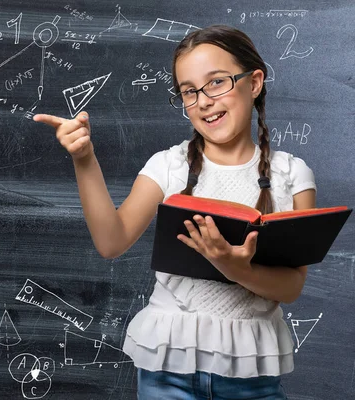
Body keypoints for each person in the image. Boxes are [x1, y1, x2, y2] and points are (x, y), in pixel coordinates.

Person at [34, 24, 316, 399]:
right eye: (188, 91)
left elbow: (292, 286)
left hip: (251, 374)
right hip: (167, 371)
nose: (203, 100)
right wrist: (84, 159)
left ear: (254, 82)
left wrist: (236, 268)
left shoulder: (292, 175)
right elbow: (111, 241)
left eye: (217, 82)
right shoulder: (168, 166)